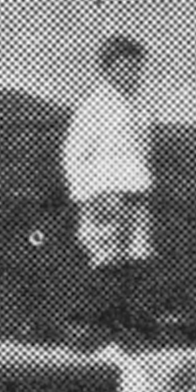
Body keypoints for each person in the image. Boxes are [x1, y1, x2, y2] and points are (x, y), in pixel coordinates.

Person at [63, 33, 157, 275]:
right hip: (104, 194)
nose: (133, 74)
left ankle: (131, 312)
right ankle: (104, 312)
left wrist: (140, 184)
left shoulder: (139, 108)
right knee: (106, 259)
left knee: (136, 257)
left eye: (137, 68)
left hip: (135, 191)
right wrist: (86, 196)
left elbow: (142, 151)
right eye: (125, 67)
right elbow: (73, 154)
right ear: (108, 69)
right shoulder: (94, 107)